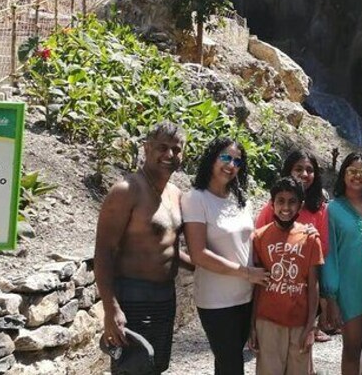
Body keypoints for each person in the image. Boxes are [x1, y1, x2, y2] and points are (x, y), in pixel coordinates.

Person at [94, 122, 191, 374]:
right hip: (133, 299)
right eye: (162, 147)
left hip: (165, 299)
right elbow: (104, 252)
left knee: (156, 366)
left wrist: (213, 266)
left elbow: (167, 248)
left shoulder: (176, 194)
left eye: (176, 149)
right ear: (147, 149)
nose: (169, 155)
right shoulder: (126, 191)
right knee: (133, 368)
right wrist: (111, 308)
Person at [181, 137, 269, 375]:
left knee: (228, 363)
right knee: (231, 364)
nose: (231, 165)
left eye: (237, 161)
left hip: (246, 296)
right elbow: (198, 254)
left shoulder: (241, 200)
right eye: (226, 157)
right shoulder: (195, 199)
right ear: (212, 159)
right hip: (216, 300)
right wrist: (246, 273)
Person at [322, 152, 362, 375]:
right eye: (352, 171)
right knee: (351, 348)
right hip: (348, 289)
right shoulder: (333, 209)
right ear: (343, 174)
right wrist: (331, 297)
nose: (357, 176)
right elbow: (329, 254)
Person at [255, 150, 332, 340]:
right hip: (275, 283)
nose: (304, 174)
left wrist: (309, 242)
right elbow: (258, 242)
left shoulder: (320, 208)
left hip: (306, 282)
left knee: (302, 343)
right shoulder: (271, 208)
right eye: (298, 169)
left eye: (309, 170)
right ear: (288, 171)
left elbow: (325, 245)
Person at [250, 176, 323, 375]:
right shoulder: (259, 237)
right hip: (268, 320)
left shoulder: (310, 239)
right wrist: (252, 324)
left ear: (300, 207)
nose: (286, 207)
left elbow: (313, 284)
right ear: (272, 204)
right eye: (280, 201)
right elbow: (258, 284)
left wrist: (311, 324)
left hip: (300, 322)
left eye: (292, 202)